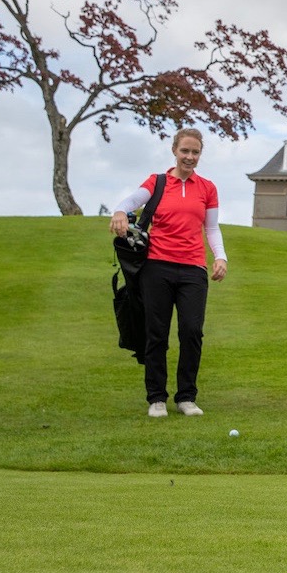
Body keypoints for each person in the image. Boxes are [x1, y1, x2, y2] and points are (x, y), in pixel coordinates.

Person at [108, 128, 227, 418]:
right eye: (185, 151)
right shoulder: (157, 182)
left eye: (195, 152)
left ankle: (186, 397)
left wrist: (220, 257)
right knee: (156, 333)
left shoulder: (207, 188)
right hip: (157, 267)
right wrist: (120, 213)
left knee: (191, 332)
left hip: (193, 270)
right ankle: (157, 399)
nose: (189, 157)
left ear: (200, 154)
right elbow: (128, 203)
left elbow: (211, 227)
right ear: (175, 150)